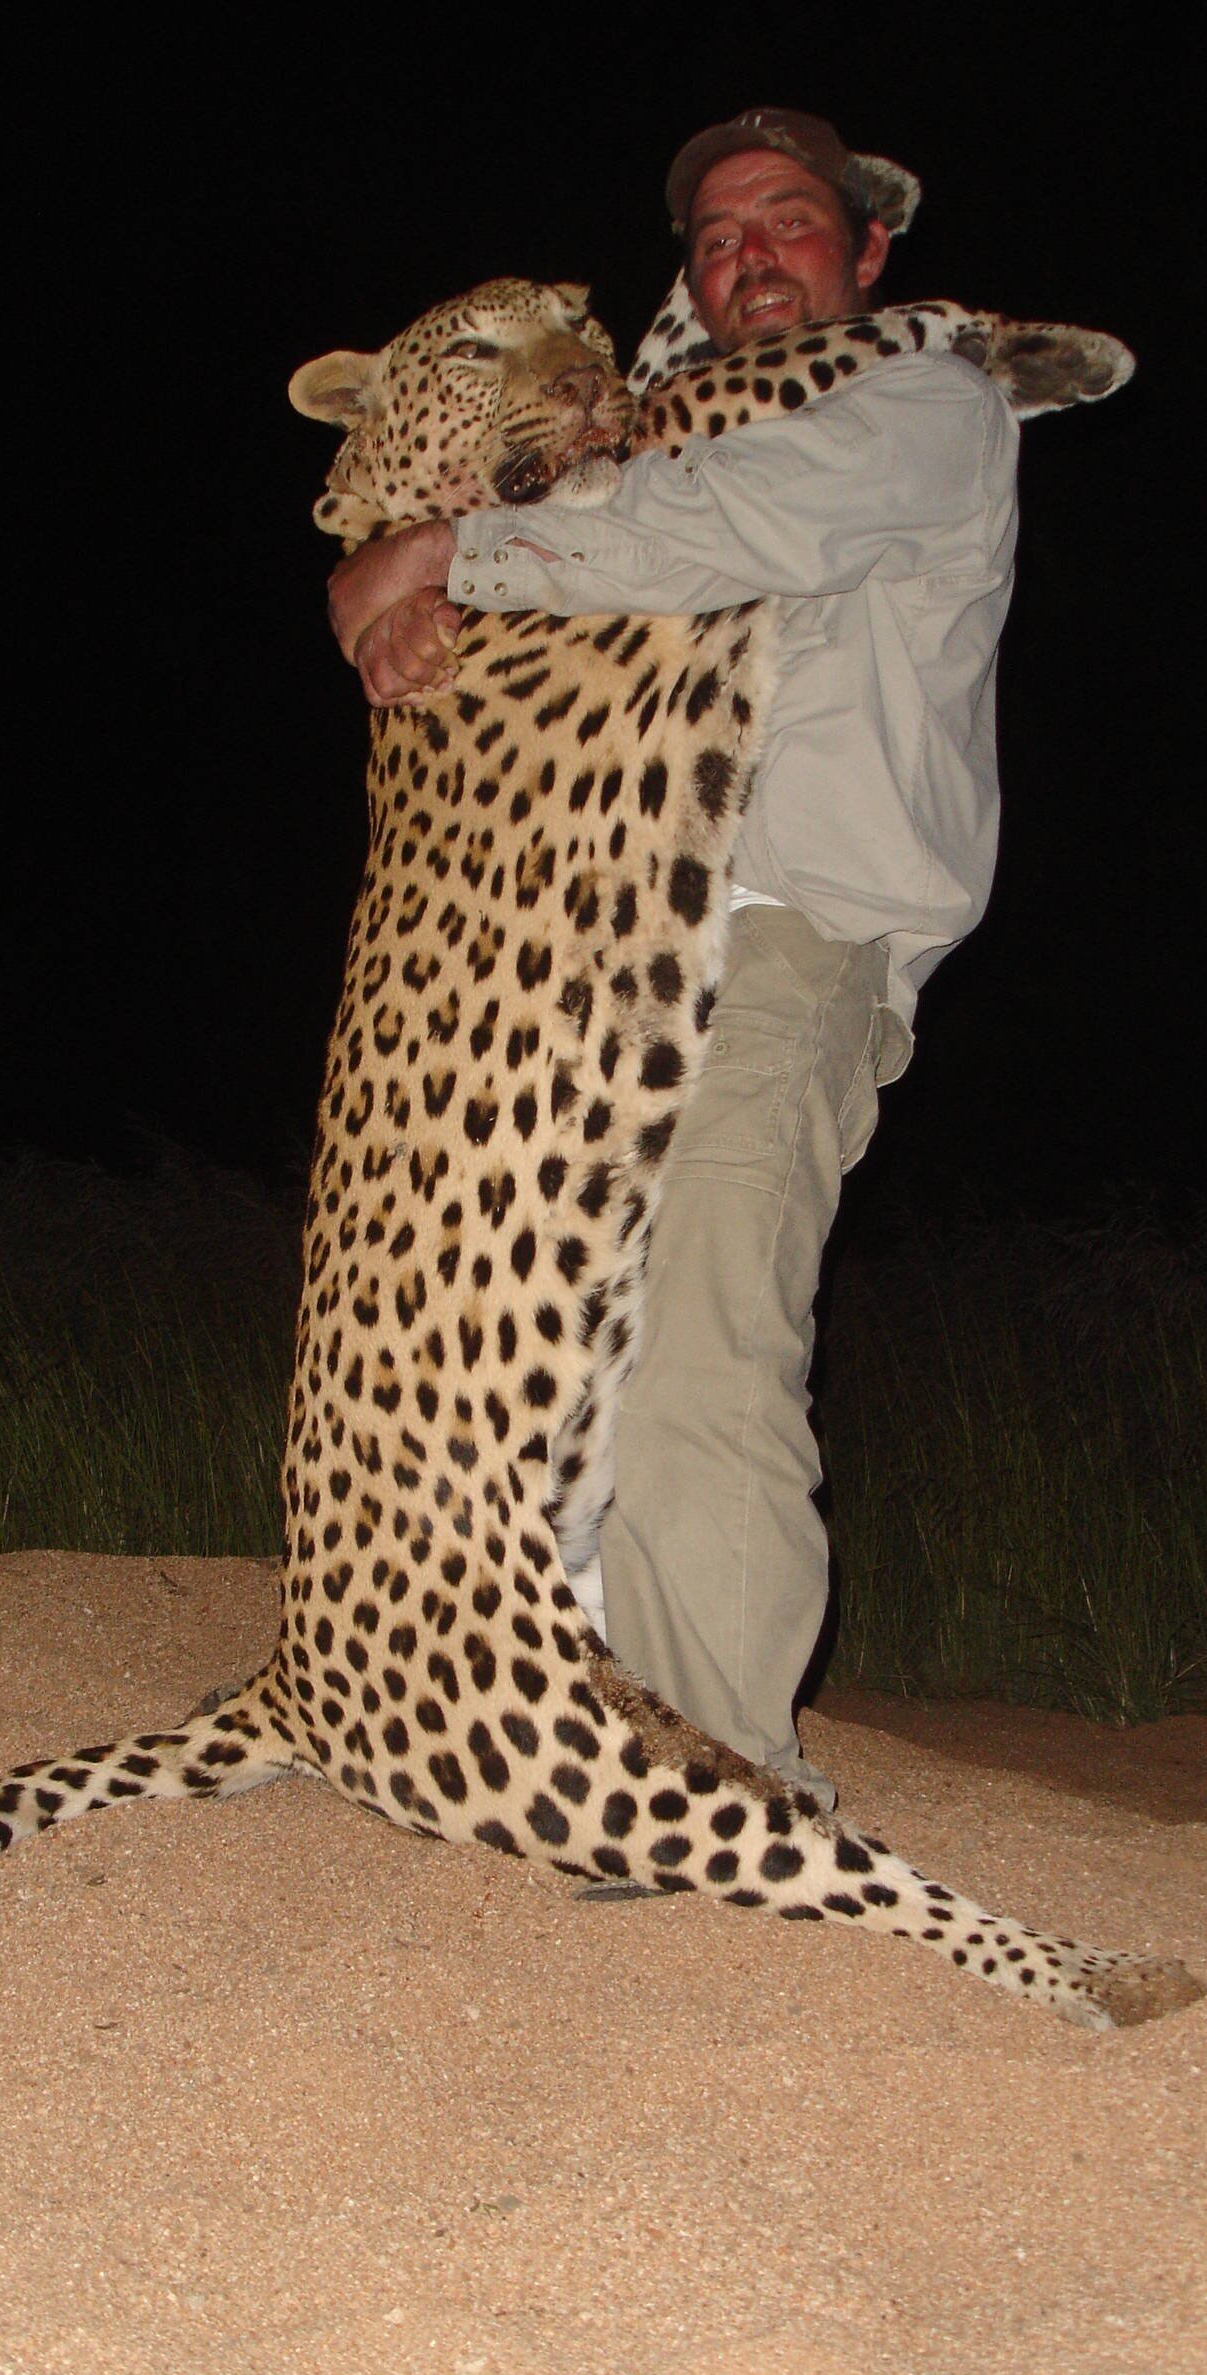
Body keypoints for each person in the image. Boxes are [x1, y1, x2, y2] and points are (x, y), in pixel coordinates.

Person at [325, 109, 1019, 1807]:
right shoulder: (653, 446)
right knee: (567, 1345)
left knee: (705, 1340)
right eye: (715, 241)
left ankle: (724, 1774)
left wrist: (445, 557)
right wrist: (410, 595)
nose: (750, 256)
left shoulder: (926, 407)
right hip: (600, 948)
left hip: (781, 934)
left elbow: (735, 527)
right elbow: (585, 553)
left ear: (868, 255)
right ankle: (549, 1718)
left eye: (789, 221)